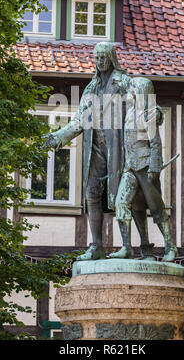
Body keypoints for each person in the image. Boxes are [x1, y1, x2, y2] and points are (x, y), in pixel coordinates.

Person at [44, 42, 131, 260]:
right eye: (97, 58)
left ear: (111, 58)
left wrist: (154, 112)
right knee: (91, 194)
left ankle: (127, 246)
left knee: (120, 196)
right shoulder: (91, 88)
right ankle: (97, 246)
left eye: (103, 57)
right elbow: (79, 120)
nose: (100, 62)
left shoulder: (124, 82)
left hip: (118, 148)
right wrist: (57, 137)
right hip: (95, 149)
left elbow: (142, 105)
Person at [109, 76, 178, 262]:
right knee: (122, 204)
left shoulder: (148, 114)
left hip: (146, 166)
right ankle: (128, 248)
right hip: (130, 167)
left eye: (131, 89)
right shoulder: (129, 113)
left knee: (156, 208)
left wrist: (155, 167)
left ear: (139, 92)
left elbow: (156, 143)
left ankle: (170, 247)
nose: (128, 91)